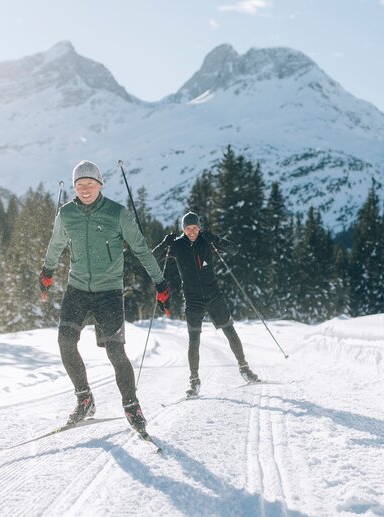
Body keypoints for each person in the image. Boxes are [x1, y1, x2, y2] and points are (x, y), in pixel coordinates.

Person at [39, 160, 171, 434]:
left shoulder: (117, 214)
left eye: (90, 184)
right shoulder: (66, 214)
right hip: (77, 289)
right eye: (79, 185)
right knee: (65, 342)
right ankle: (84, 398)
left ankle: (132, 406)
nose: (85, 189)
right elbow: (55, 245)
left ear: (100, 185)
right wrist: (47, 272)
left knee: (115, 351)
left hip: (109, 292)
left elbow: (141, 249)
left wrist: (160, 283)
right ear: (74, 187)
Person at [153, 211, 259, 398]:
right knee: (194, 340)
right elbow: (151, 259)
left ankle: (244, 368)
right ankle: (194, 381)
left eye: (195, 228)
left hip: (214, 296)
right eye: (188, 228)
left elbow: (234, 250)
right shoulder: (177, 246)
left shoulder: (206, 241)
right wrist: (165, 243)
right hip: (192, 299)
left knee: (229, 331)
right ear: (183, 229)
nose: (192, 231)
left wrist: (215, 239)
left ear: (200, 228)